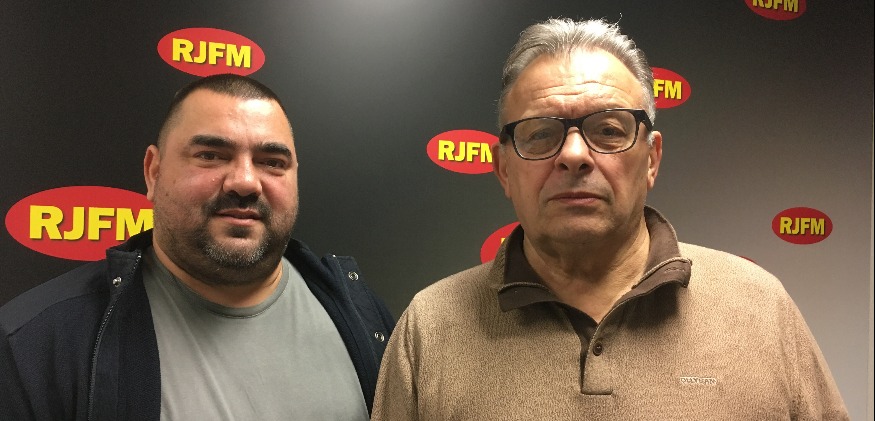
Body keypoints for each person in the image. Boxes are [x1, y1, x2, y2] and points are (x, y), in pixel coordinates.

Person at [372, 18, 848, 420]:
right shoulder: (429, 331)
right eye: (540, 135)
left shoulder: (761, 310)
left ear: (652, 159)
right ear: (503, 170)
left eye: (608, 130)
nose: (574, 155)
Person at [0, 74, 394, 420]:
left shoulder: (363, 316)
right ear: (153, 172)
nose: (245, 182)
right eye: (211, 155)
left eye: (272, 161)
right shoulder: (35, 348)